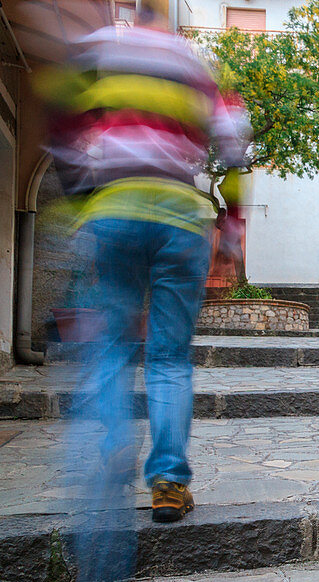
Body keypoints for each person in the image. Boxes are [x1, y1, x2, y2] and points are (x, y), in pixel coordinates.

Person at [38, 0, 250, 543]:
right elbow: (234, 141)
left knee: (112, 346)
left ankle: (112, 450)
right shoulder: (195, 65)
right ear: (169, 14)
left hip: (115, 213)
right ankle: (169, 483)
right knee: (170, 357)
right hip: (180, 218)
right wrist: (233, 226)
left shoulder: (103, 49)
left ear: (135, 9)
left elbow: (59, 116)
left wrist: (83, 195)